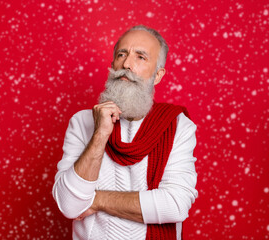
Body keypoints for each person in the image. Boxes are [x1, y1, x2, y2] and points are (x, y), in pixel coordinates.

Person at [52, 25, 198, 240]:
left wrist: (96, 200)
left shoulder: (177, 126)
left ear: (158, 75)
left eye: (141, 57)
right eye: (122, 54)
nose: (126, 65)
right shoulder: (82, 122)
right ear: (112, 64)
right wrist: (100, 134)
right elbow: (68, 205)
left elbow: (175, 205)